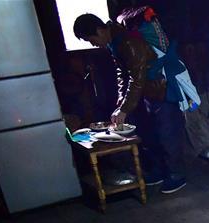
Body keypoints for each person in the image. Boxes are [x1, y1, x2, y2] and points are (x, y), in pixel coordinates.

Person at [73, 11, 188, 194]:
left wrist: (125, 109)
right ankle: (160, 171)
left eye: (90, 39)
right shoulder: (114, 42)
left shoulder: (127, 41)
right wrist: (121, 105)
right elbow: (122, 73)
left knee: (167, 134)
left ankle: (176, 175)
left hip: (162, 89)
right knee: (151, 135)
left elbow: (137, 78)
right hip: (148, 92)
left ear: (99, 30)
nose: (92, 43)